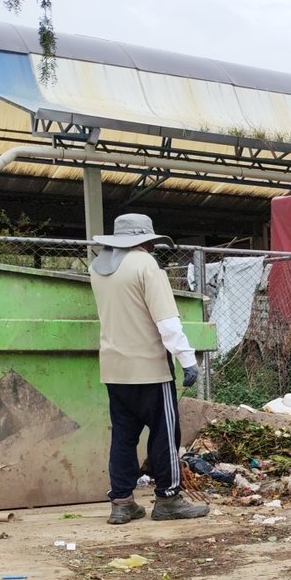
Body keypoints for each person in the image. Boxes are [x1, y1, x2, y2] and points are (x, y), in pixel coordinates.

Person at [89, 213, 208, 524]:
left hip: (114, 369)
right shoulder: (146, 266)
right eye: (152, 240)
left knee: (123, 436)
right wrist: (187, 360)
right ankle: (169, 499)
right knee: (164, 435)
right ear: (144, 239)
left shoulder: (99, 269)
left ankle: (122, 502)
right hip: (150, 369)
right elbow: (167, 323)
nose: (154, 245)